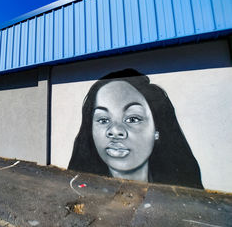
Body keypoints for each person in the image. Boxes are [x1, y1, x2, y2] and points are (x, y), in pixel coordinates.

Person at [68, 69, 203, 189]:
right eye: (103, 120)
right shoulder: (79, 193)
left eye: (133, 119)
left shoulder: (180, 199)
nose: (115, 131)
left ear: (157, 129)